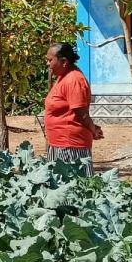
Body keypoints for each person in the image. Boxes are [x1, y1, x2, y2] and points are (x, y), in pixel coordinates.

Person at [43, 43, 103, 175]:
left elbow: (81, 114)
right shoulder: (63, 77)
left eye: (50, 60)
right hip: (60, 144)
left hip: (70, 146)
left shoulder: (74, 80)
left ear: (64, 61)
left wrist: (93, 130)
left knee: (74, 188)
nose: (47, 64)